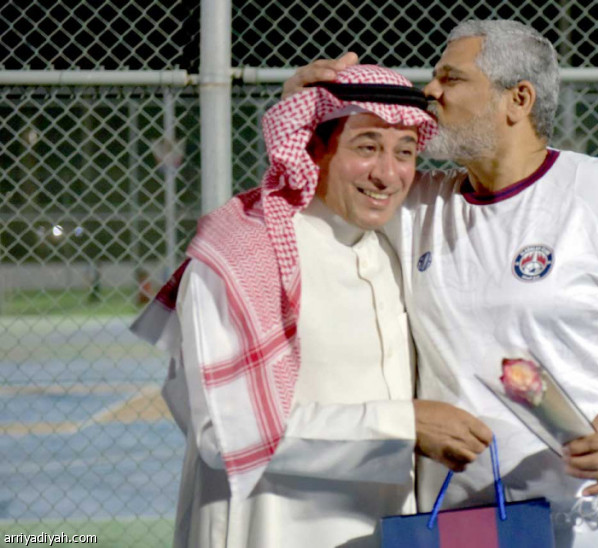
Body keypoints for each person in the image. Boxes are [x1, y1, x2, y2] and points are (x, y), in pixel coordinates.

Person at [288, 20, 598, 547]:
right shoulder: (415, 204)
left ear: (518, 99)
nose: (430, 91)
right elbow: (313, 184)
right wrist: (300, 109)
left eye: (451, 78)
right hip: (476, 527)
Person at [131, 64, 492, 548]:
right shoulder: (245, 255)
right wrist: (405, 425)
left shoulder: (387, 250)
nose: (388, 174)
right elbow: (227, 433)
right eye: (366, 147)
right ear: (314, 150)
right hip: (270, 530)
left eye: (404, 152)